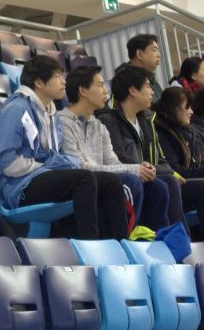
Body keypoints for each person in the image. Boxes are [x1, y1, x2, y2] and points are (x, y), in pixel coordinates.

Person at [0, 55, 128, 240]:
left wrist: (58, 164)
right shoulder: (16, 109)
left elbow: (54, 155)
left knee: (109, 181)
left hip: (44, 177)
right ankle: (90, 244)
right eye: (57, 76)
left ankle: (118, 243)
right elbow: (3, 160)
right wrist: (43, 166)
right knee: (84, 178)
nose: (64, 81)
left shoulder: (50, 113)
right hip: (21, 186)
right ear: (39, 82)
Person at [59, 66, 169, 231]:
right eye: (100, 85)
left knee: (158, 186)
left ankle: (152, 238)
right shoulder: (63, 123)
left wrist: (138, 168)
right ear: (83, 91)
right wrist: (133, 170)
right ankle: (126, 237)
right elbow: (79, 167)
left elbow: (112, 162)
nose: (106, 91)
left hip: (104, 180)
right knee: (131, 182)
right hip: (83, 183)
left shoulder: (98, 125)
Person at [97, 66, 188, 232]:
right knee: (167, 182)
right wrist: (149, 169)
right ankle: (174, 238)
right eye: (147, 86)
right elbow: (120, 160)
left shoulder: (147, 120)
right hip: (128, 179)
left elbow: (162, 161)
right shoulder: (109, 120)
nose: (152, 91)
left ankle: (176, 238)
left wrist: (154, 169)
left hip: (150, 176)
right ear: (133, 90)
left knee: (180, 183)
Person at [153, 87, 204, 234]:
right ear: (173, 109)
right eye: (187, 107)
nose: (191, 112)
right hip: (172, 184)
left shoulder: (187, 130)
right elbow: (175, 170)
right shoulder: (161, 131)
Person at [113, 34, 162, 102]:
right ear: (139, 54)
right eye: (154, 50)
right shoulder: (125, 82)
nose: (159, 55)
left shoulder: (150, 79)